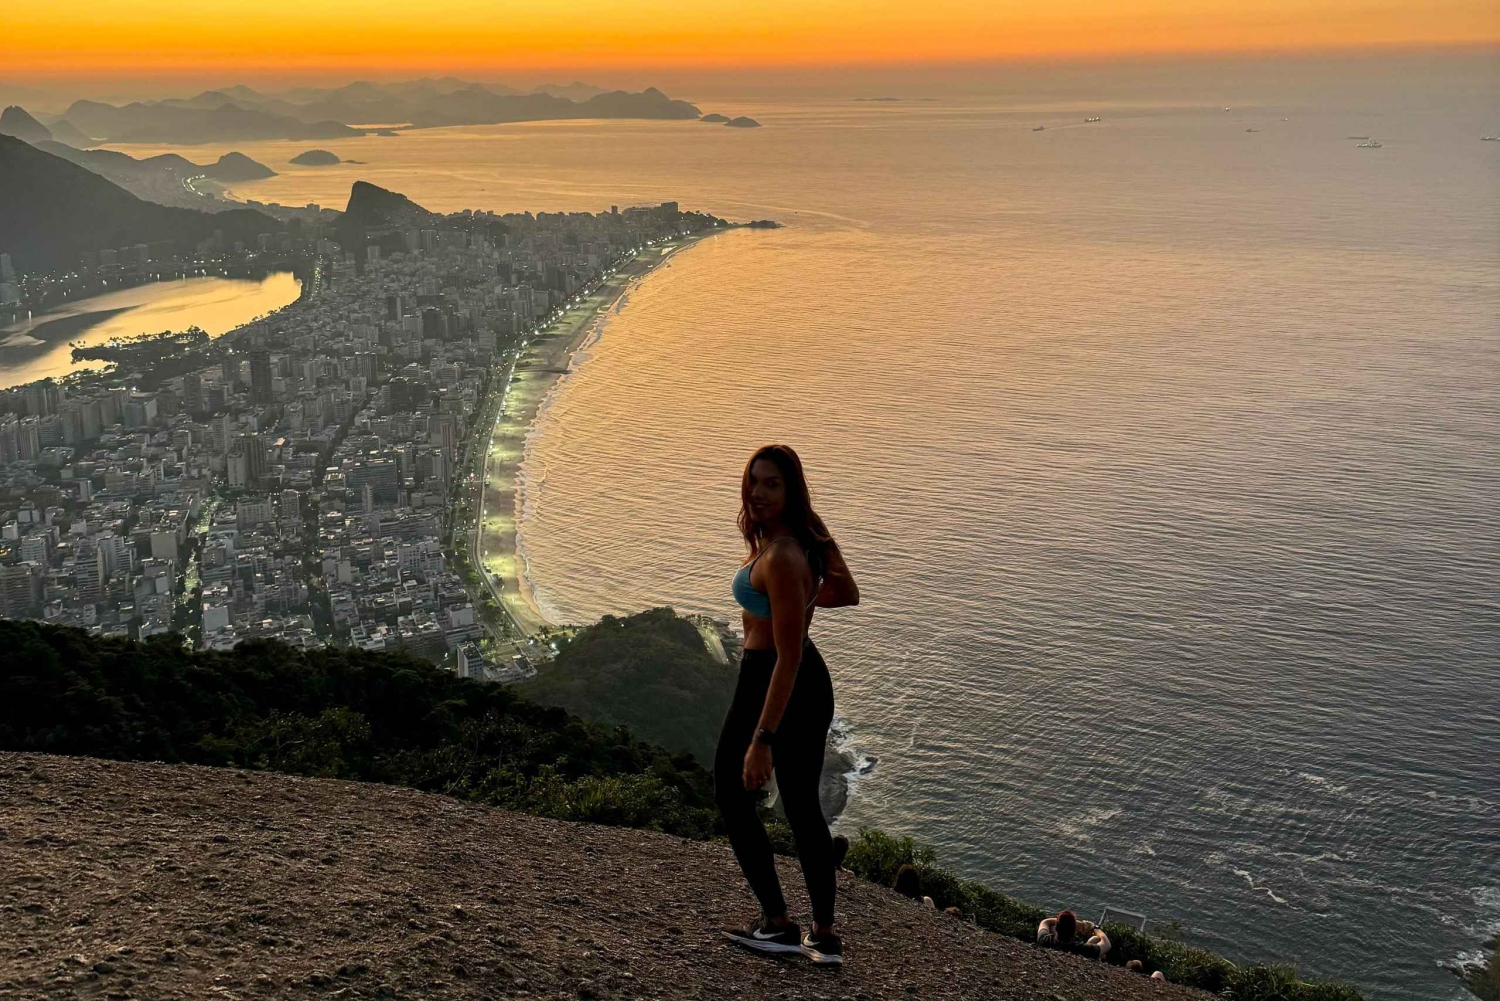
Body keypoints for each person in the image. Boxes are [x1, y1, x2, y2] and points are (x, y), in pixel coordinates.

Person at [718, 445, 859, 967]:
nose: (757, 491)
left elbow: (788, 655)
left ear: (790, 490)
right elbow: (846, 590)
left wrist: (763, 740)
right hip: (805, 680)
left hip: (776, 676)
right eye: (754, 480)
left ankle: (777, 924)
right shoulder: (798, 541)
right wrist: (799, 596)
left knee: (732, 793)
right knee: (801, 808)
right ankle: (823, 936)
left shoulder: (781, 555)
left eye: (772, 484)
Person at [1036, 909, 1111, 960]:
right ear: (1074, 932)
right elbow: (1107, 944)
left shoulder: (1045, 940)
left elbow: (1045, 922)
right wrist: (1095, 928)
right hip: (1082, 962)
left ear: (1057, 928)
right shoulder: (1080, 949)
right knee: (1095, 939)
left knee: (1051, 927)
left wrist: (1063, 922)